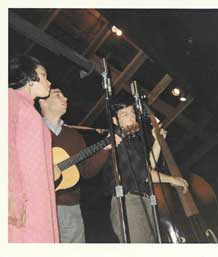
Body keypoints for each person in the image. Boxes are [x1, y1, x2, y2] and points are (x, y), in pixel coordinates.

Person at [102, 97, 189, 243]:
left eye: (132, 112)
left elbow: (148, 166)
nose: (132, 117)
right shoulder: (116, 142)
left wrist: (158, 142)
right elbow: (144, 174)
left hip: (144, 199)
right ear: (115, 121)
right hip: (128, 201)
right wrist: (173, 179)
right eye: (125, 114)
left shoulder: (133, 141)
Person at [39, 88, 118, 243]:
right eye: (58, 95)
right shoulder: (31, 129)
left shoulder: (74, 136)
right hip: (38, 206)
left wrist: (105, 149)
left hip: (70, 207)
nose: (66, 98)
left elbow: (86, 171)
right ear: (42, 101)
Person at [8, 55, 59, 243]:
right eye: (44, 75)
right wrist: (12, 195)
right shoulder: (10, 97)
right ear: (30, 77)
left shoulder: (31, 110)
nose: (49, 81)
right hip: (24, 200)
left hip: (39, 198)